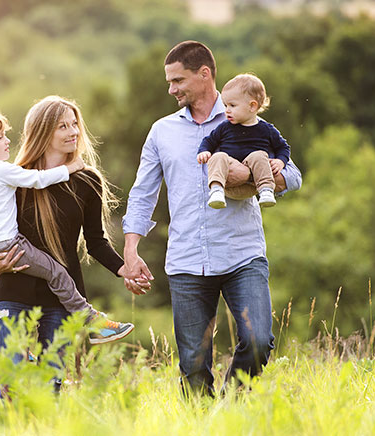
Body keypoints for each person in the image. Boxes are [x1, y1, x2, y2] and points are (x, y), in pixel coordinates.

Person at [122, 41, 302, 396]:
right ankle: (204, 425)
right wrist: (131, 250)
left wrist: (253, 177)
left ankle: (229, 412)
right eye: (169, 82)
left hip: (242, 254)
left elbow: (293, 176)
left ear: (204, 74)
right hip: (187, 259)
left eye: (178, 80)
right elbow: (143, 193)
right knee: (192, 363)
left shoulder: (250, 121)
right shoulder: (162, 131)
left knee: (258, 340)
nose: (171, 89)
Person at [0, 96, 138, 362]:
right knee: (13, 378)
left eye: (74, 124)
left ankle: (93, 323)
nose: (74, 131)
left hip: (62, 297)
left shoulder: (87, 180)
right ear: (43, 131)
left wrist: (125, 269)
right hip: (15, 291)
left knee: (51, 383)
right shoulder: (16, 177)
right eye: (62, 126)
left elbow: (95, 241)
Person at [197, 73, 291, 209]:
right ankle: (216, 190)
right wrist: (204, 151)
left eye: (232, 106)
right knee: (219, 156)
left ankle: (266, 191)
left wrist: (280, 161)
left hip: (254, 186)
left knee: (259, 155)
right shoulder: (225, 127)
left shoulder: (266, 129)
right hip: (229, 183)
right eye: (225, 105)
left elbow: (283, 147)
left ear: (252, 106)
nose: (226, 111)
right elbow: (209, 141)